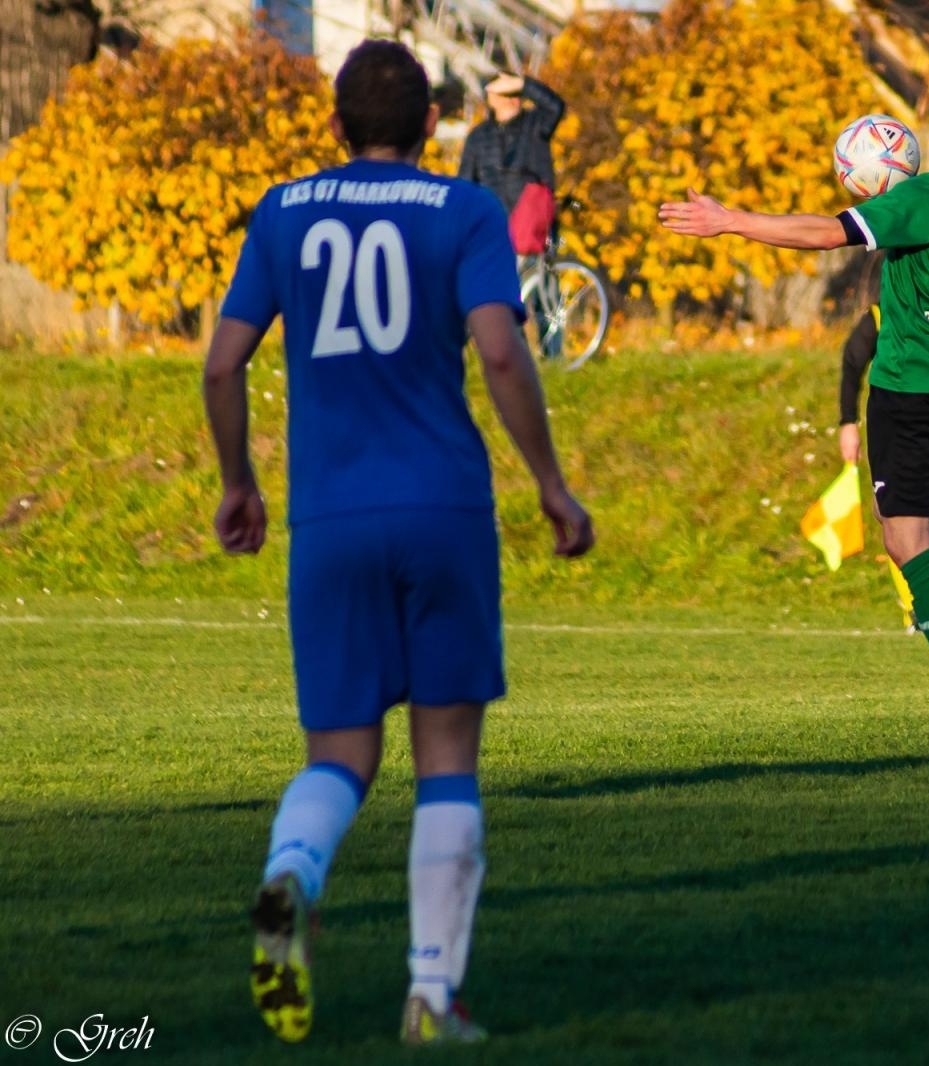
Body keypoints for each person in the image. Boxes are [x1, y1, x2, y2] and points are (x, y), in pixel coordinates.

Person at [203, 39, 594, 1046]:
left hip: (328, 516)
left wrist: (238, 482)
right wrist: (551, 484)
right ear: (432, 126)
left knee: (338, 753)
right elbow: (502, 348)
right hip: (440, 507)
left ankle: (292, 874)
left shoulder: (283, 211)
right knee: (447, 756)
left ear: (334, 125)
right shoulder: (462, 209)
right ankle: (431, 994)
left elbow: (221, 364)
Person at [662, 49, 929, 766]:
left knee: (903, 539)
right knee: (921, 523)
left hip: (913, 384)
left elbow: (826, 231)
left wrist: (728, 219)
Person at [837, 278, 929, 632]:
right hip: (899, 432)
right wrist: (847, 422)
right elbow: (852, 365)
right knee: (903, 522)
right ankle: (916, 602)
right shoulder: (880, 317)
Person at [458, 70, 567, 247]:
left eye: (516, 94)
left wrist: (523, 84)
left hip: (535, 227)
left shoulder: (536, 124)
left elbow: (556, 106)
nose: (511, 99)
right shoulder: (477, 137)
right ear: (491, 97)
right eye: (505, 94)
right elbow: (465, 185)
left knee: (536, 272)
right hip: (495, 229)